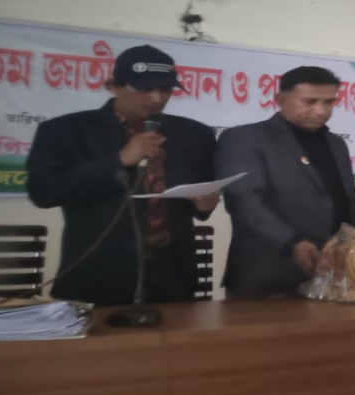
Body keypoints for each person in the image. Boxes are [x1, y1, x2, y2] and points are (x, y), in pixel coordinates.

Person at [27, 45, 219, 306]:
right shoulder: (65, 131)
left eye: (165, 89)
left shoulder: (195, 134)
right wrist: (119, 160)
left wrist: (206, 204)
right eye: (144, 88)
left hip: (173, 277)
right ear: (113, 86)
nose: (156, 98)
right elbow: (44, 192)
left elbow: (202, 192)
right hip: (99, 273)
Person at [216, 66, 355, 298]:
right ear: (281, 100)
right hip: (268, 275)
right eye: (310, 102)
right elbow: (246, 201)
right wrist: (292, 242)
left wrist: (354, 244)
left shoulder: (336, 144)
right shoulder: (244, 139)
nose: (321, 110)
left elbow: (347, 201)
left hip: (332, 273)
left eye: (329, 102)